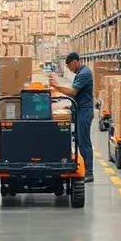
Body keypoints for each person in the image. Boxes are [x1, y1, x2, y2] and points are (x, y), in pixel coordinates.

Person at [48, 52, 94, 182]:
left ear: (74, 62)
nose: (69, 69)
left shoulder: (84, 73)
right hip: (80, 109)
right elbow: (75, 94)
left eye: (69, 66)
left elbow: (73, 91)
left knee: (84, 142)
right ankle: (82, 167)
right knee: (79, 140)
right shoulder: (80, 73)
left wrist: (56, 86)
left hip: (84, 111)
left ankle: (89, 172)